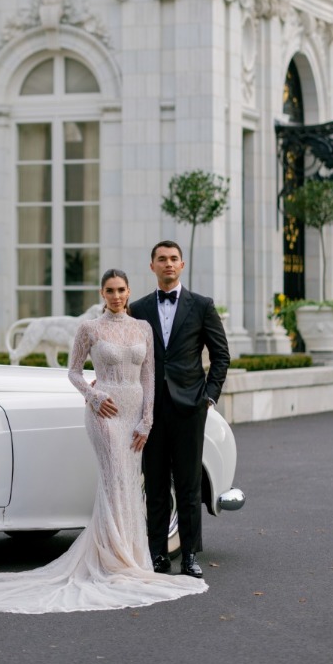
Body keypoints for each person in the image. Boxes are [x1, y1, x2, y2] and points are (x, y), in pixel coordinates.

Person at [0, 268, 207, 613]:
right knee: (114, 482)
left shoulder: (142, 328)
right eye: (109, 290)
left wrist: (147, 419)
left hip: (134, 414)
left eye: (121, 289)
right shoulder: (90, 328)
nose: (115, 295)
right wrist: (93, 398)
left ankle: (129, 554)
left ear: (128, 292)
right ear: (101, 293)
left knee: (128, 484)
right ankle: (114, 558)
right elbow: (74, 371)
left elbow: (149, 375)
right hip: (104, 412)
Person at [130, 240, 231, 580]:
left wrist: (209, 397)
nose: (168, 264)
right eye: (162, 259)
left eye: (174, 259)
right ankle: (158, 554)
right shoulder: (139, 308)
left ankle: (189, 556)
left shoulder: (202, 306)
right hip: (151, 410)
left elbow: (221, 356)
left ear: (182, 265)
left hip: (190, 410)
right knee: (155, 485)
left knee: (188, 486)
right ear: (152, 266)